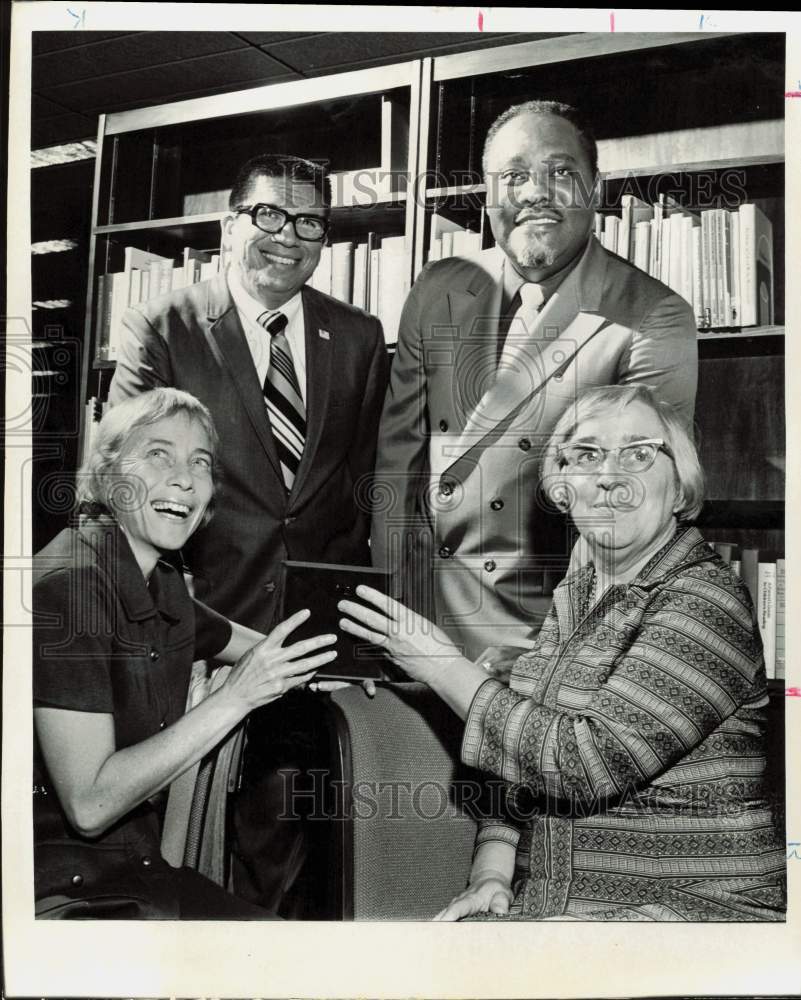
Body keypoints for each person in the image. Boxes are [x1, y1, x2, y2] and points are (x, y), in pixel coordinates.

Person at [341, 385, 786, 921]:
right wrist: (491, 873)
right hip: (564, 910)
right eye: (587, 454)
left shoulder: (703, 599)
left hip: (693, 913)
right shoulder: (578, 593)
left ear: (678, 487)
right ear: (562, 487)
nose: (609, 477)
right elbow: (519, 758)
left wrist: (441, 664)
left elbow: (581, 761)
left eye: (638, 453)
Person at [108, 153, 389, 915]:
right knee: (171, 850)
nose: (287, 236)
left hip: (303, 645)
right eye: (268, 214)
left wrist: (356, 631)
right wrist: (180, 618)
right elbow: (123, 483)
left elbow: (361, 495)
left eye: (308, 221)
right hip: (192, 635)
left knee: (284, 853)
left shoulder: (358, 337)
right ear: (230, 224)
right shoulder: (161, 326)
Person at [371, 100, 698, 662]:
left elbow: (632, 515)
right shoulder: (439, 287)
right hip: (416, 628)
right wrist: (390, 614)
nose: (533, 193)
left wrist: (550, 657)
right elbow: (399, 460)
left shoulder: (652, 317)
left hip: (537, 642)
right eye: (513, 176)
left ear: (595, 189)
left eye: (561, 173)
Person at [33, 389, 338, 919]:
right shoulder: (69, 589)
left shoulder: (160, 581)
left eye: (200, 463)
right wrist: (236, 697)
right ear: (108, 474)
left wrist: (353, 671)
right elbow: (89, 805)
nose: (184, 477)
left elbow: (273, 650)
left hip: (136, 874)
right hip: (60, 893)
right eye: (159, 454)